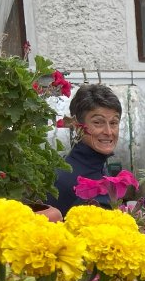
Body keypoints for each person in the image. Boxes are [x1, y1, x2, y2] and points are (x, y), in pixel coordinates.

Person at [50, 83, 123, 216]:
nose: (108, 132)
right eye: (98, 122)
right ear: (77, 125)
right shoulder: (71, 178)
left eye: (113, 123)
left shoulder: (94, 166)